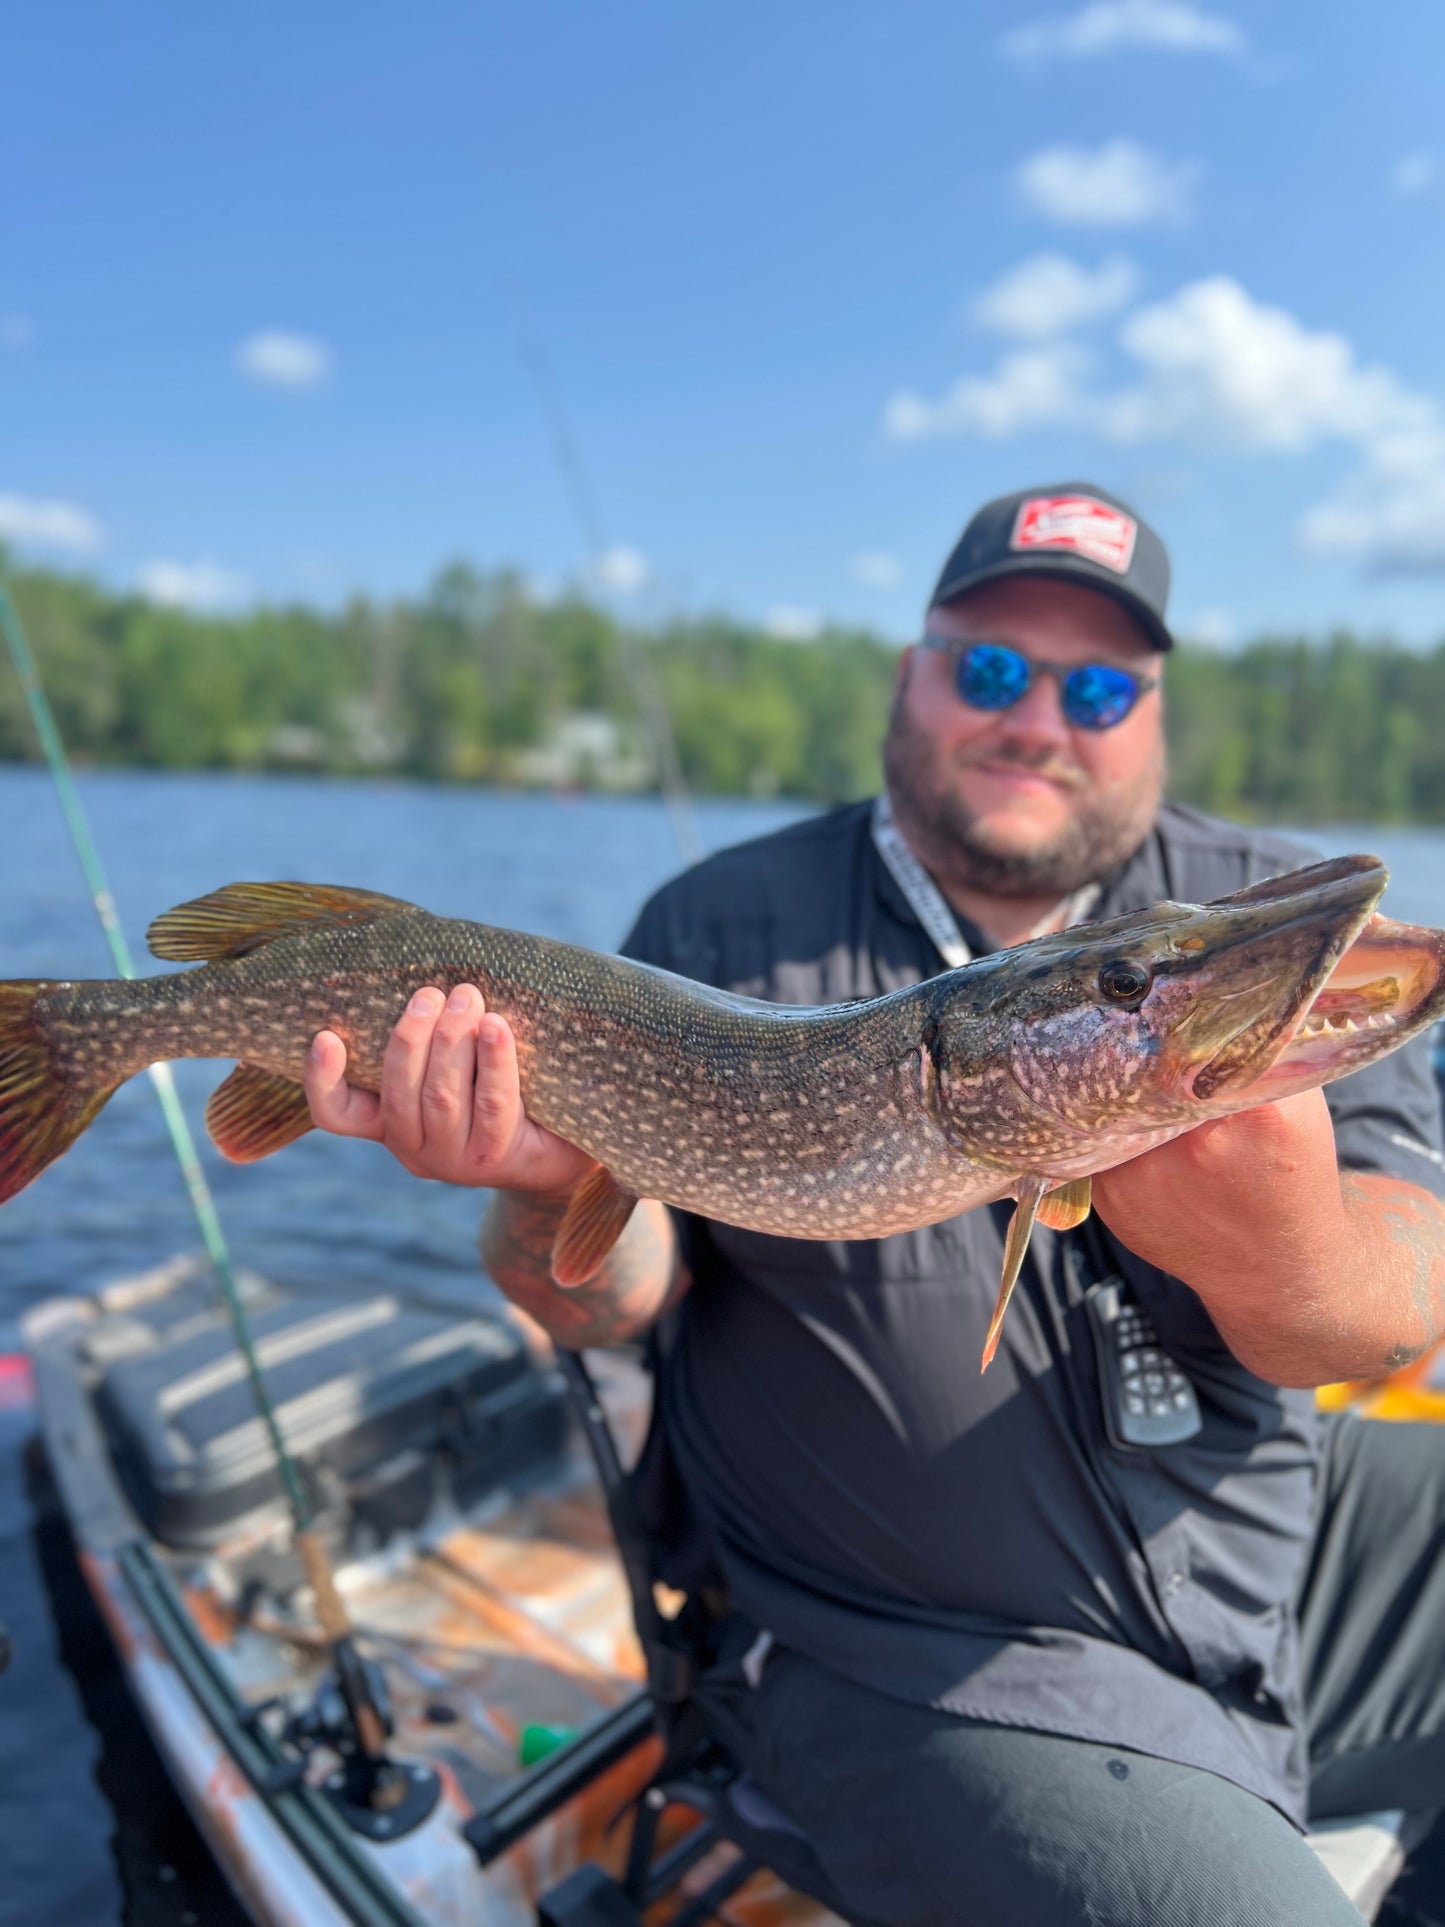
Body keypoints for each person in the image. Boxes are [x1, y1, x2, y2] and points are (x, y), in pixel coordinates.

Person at [304, 483, 1445, 1926]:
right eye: (987, 668)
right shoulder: (715, 929)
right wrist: (543, 1194)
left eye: (1096, 686)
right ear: (910, 673)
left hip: (1264, 1553)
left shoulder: (1237, 899)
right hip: (901, 1647)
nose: (1036, 717)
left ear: (1152, 712)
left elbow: (1397, 1292)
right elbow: (602, 1294)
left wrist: (1290, 1254)